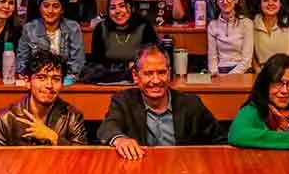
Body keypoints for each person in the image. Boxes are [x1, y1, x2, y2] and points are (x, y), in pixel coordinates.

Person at [97, 44, 226, 159]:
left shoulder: (191, 103)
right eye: (148, 73)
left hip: (182, 171)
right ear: (135, 76)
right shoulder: (124, 101)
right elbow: (107, 128)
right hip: (139, 169)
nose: (156, 80)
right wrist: (120, 139)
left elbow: (220, 141)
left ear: (169, 73)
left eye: (161, 72)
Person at [0, 50, 88, 146]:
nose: (49, 85)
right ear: (27, 82)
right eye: (41, 78)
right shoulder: (5, 118)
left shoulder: (72, 116)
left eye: (56, 79)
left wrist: (54, 138)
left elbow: (82, 154)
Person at [228, 53, 289, 149]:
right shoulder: (253, 109)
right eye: (278, 84)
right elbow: (237, 135)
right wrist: (288, 139)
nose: (284, 91)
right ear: (266, 85)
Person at [85, 0, 159, 82]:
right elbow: (97, 62)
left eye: (122, 6)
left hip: (138, 77)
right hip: (107, 77)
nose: (117, 11)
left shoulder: (145, 27)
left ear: (131, 8)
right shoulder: (101, 28)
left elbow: (151, 58)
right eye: (113, 8)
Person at [17, 0, 85, 79]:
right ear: (40, 8)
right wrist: (24, 75)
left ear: (62, 10)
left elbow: (77, 61)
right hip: (38, 78)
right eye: (46, 6)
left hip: (66, 79)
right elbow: (22, 60)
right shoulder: (29, 28)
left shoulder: (73, 27)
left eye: (56, 6)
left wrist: (68, 79)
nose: (50, 11)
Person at [207, 0, 254, 75]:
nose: (225, 2)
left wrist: (229, 77)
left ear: (236, 0)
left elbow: (247, 60)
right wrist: (215, 74)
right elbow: (212, 58)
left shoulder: (246, 23)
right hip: (220, 72)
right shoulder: (212, 25)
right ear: (217, 1)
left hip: (241, 71)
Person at [252, 0, 289, 68]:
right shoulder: (252, 22)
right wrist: (258, 72)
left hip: (286, 70)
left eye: (274, 0)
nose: (270, 3)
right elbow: (252, 56)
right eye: (266, 0)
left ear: (281, 3)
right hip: (260, 71)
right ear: (260, 4)